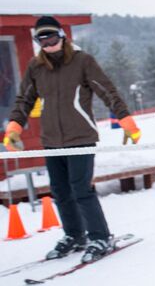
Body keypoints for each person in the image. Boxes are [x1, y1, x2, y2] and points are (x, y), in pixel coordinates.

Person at [3, 16, 142, 263]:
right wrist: (14, 127)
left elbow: (107, 91)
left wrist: (126, 121)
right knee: (60, 190)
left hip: (80, 136)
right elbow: (24, 100)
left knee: (81, 189)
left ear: (62, 37)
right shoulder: (36, 67)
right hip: (52, 140)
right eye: (42, 40)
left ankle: (100, 236)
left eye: (52, 38)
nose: (48, 44)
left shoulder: (82, 61)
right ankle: (75, 235)